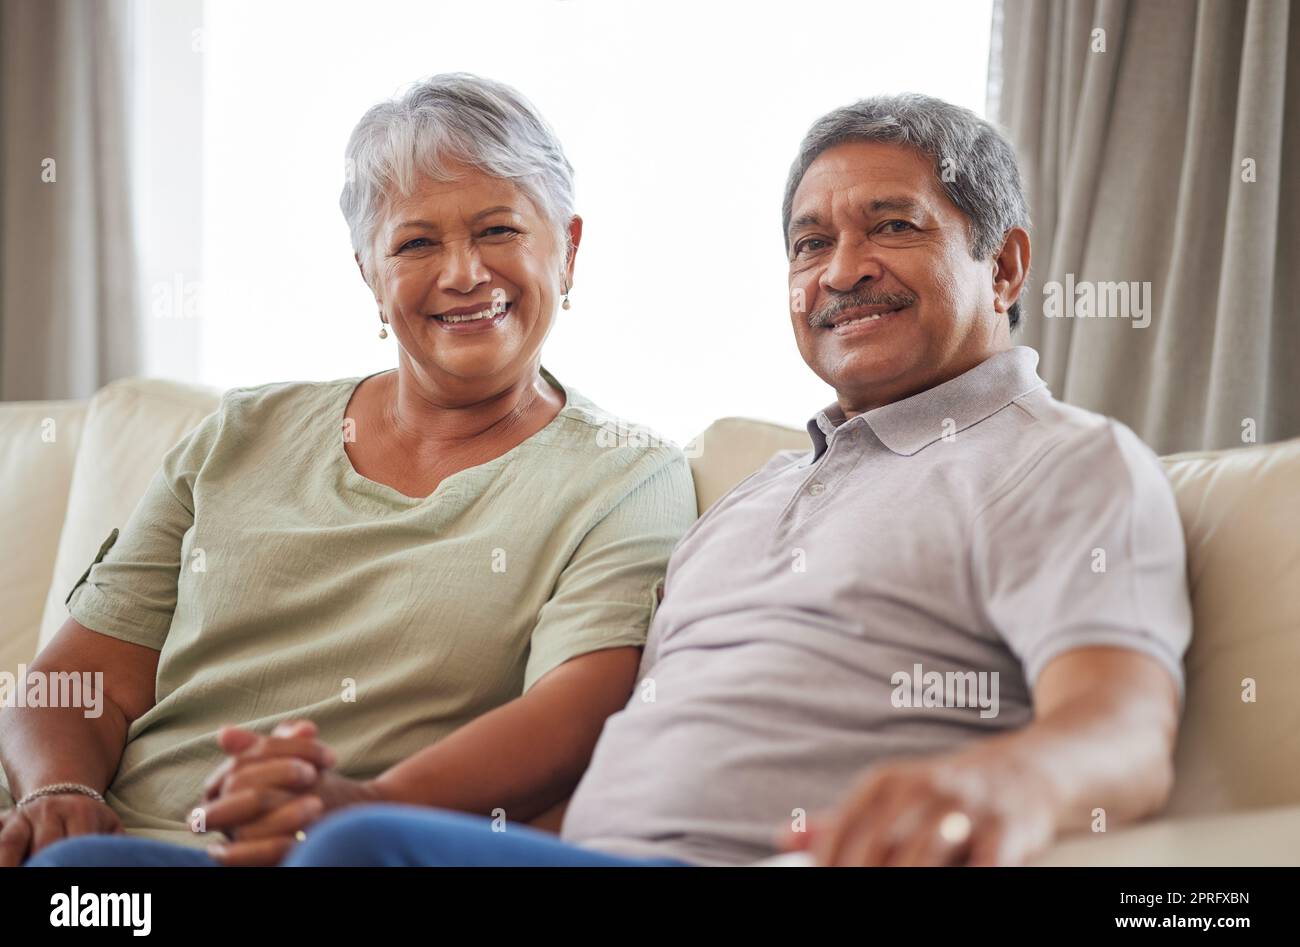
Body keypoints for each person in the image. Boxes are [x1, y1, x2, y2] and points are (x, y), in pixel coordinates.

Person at [257, 92, 1191, 868]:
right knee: (118, 875)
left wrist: (1006, 783)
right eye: (808, 243)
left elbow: (1123, 728)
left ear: (1006, 265)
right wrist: (353, 809)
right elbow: (627, 761)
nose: (843, 271)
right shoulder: (756, 495)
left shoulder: (1063, 459)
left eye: (892, 227)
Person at [7, 73, 696, 867]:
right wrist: (58, 794)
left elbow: (574, 711)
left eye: (499, 231)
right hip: (122, 837)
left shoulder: (625, 476)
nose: (464, 273)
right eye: (416, 243)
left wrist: (355, 809)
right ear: (369, 274)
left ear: (568, 249)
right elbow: (80, 682)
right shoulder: (239, 434)